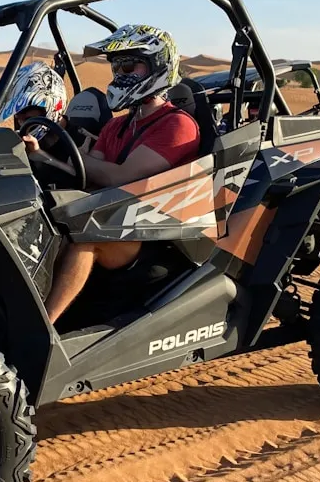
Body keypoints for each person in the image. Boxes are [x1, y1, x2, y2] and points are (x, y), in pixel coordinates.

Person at [30, 24, 200, 325]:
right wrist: (45, 156)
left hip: (158, 233)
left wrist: (74, 156)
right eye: (116, 66)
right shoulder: (116, 126)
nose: (119, 75)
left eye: (129, 65)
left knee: (85, 236)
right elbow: (89, 177)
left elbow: (119, 177)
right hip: (117, 219)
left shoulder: (178, 125)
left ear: (157, 66)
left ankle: (43, 328)